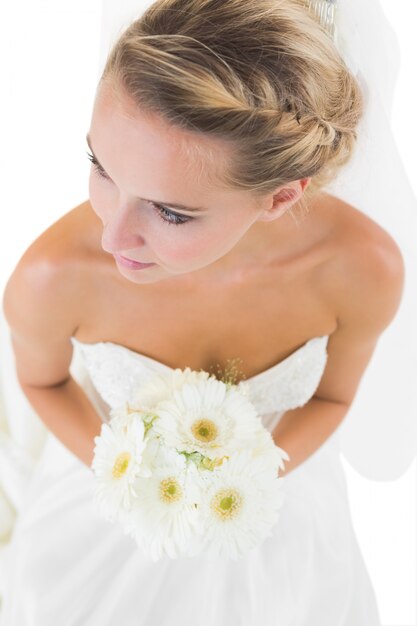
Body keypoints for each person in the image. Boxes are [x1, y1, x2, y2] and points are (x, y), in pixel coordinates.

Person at [0, 0, 408, 623]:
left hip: (281, 521)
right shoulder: (52, 278)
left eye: (169, 212)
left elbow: (331, 399)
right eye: (100, 167)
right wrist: (132, 479)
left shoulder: (361, 270)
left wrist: (244, 483)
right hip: (105, 516)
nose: (113, 237)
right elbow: (41, 380)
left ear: (280, 197)